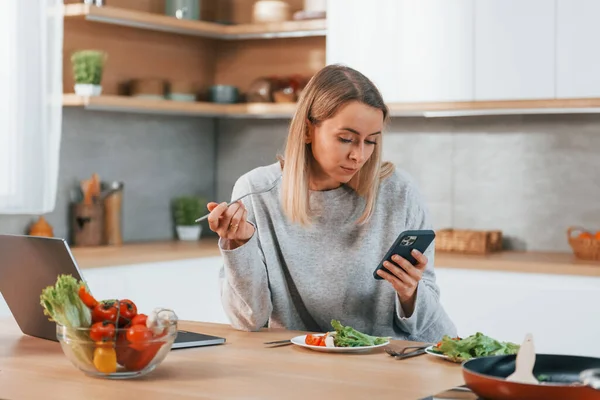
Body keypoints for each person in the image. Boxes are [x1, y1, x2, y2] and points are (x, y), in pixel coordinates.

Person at [206, 64, 457, 342]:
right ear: (307, 131)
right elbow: (248, 320)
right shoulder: (257, 192)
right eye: (346, 139)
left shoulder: (399, 191)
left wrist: (410, 294)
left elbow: (426, 319)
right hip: (308, 362)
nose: (359, 155)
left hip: (399, 357)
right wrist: (238, 246)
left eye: (371, 141)